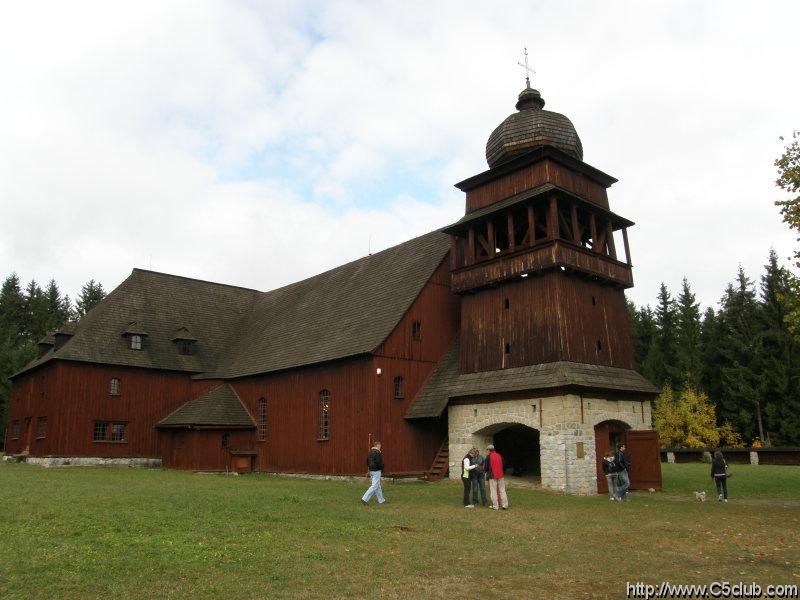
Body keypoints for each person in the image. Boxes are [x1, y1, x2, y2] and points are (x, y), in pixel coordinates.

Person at [486, 444, 508, 510]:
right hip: (500, 475)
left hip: (492, 476)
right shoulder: (499, 455)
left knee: (493, 491)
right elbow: (504, 465)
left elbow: (485, 467)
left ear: (489, 450)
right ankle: (505, 505)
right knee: (502, 490)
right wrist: (503, 472)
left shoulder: (488, 457)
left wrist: (485, 472)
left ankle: (495, 506)